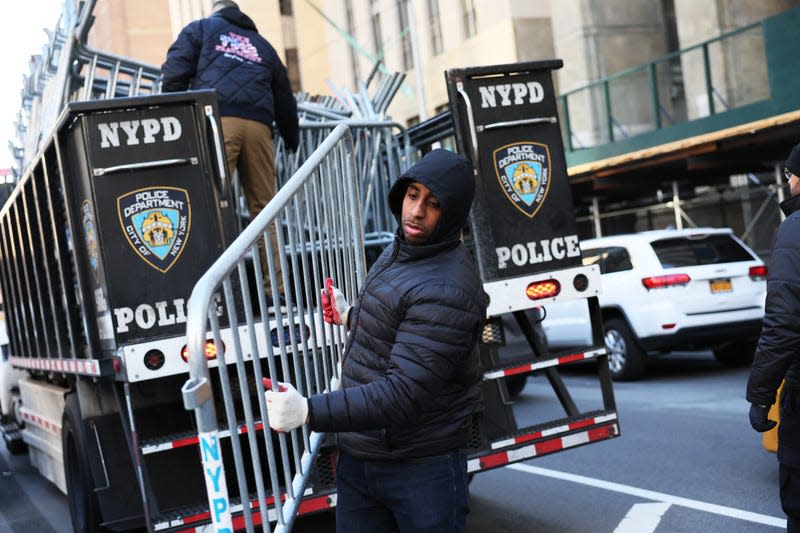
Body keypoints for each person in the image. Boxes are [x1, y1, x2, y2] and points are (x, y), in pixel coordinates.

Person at [265, 149, 487, 532]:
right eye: (413, 195)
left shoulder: (449, 286)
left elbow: (403, 391)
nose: (416, 211)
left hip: (422, 468)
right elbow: (405, 329)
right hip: (362, 458)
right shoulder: (403, 249)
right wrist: (352, 314)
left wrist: (308, 411)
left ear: (451, 214)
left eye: (433, 204)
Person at [160, 0, 299, 300]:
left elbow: (174, 72)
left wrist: (173, 114)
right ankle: (278, 293)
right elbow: (285, 96)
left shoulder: (201, 29)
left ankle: (216, 296)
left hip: (218, 120)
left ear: (215, 11)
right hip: (260, 127)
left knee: (210, 208)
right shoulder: (262, 45)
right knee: (265, 211)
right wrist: (291, 137)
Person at [747, 142, 800, 532]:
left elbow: (783, 324)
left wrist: (761, 396)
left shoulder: (794, 232)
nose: (789, 181)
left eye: (790, 173)